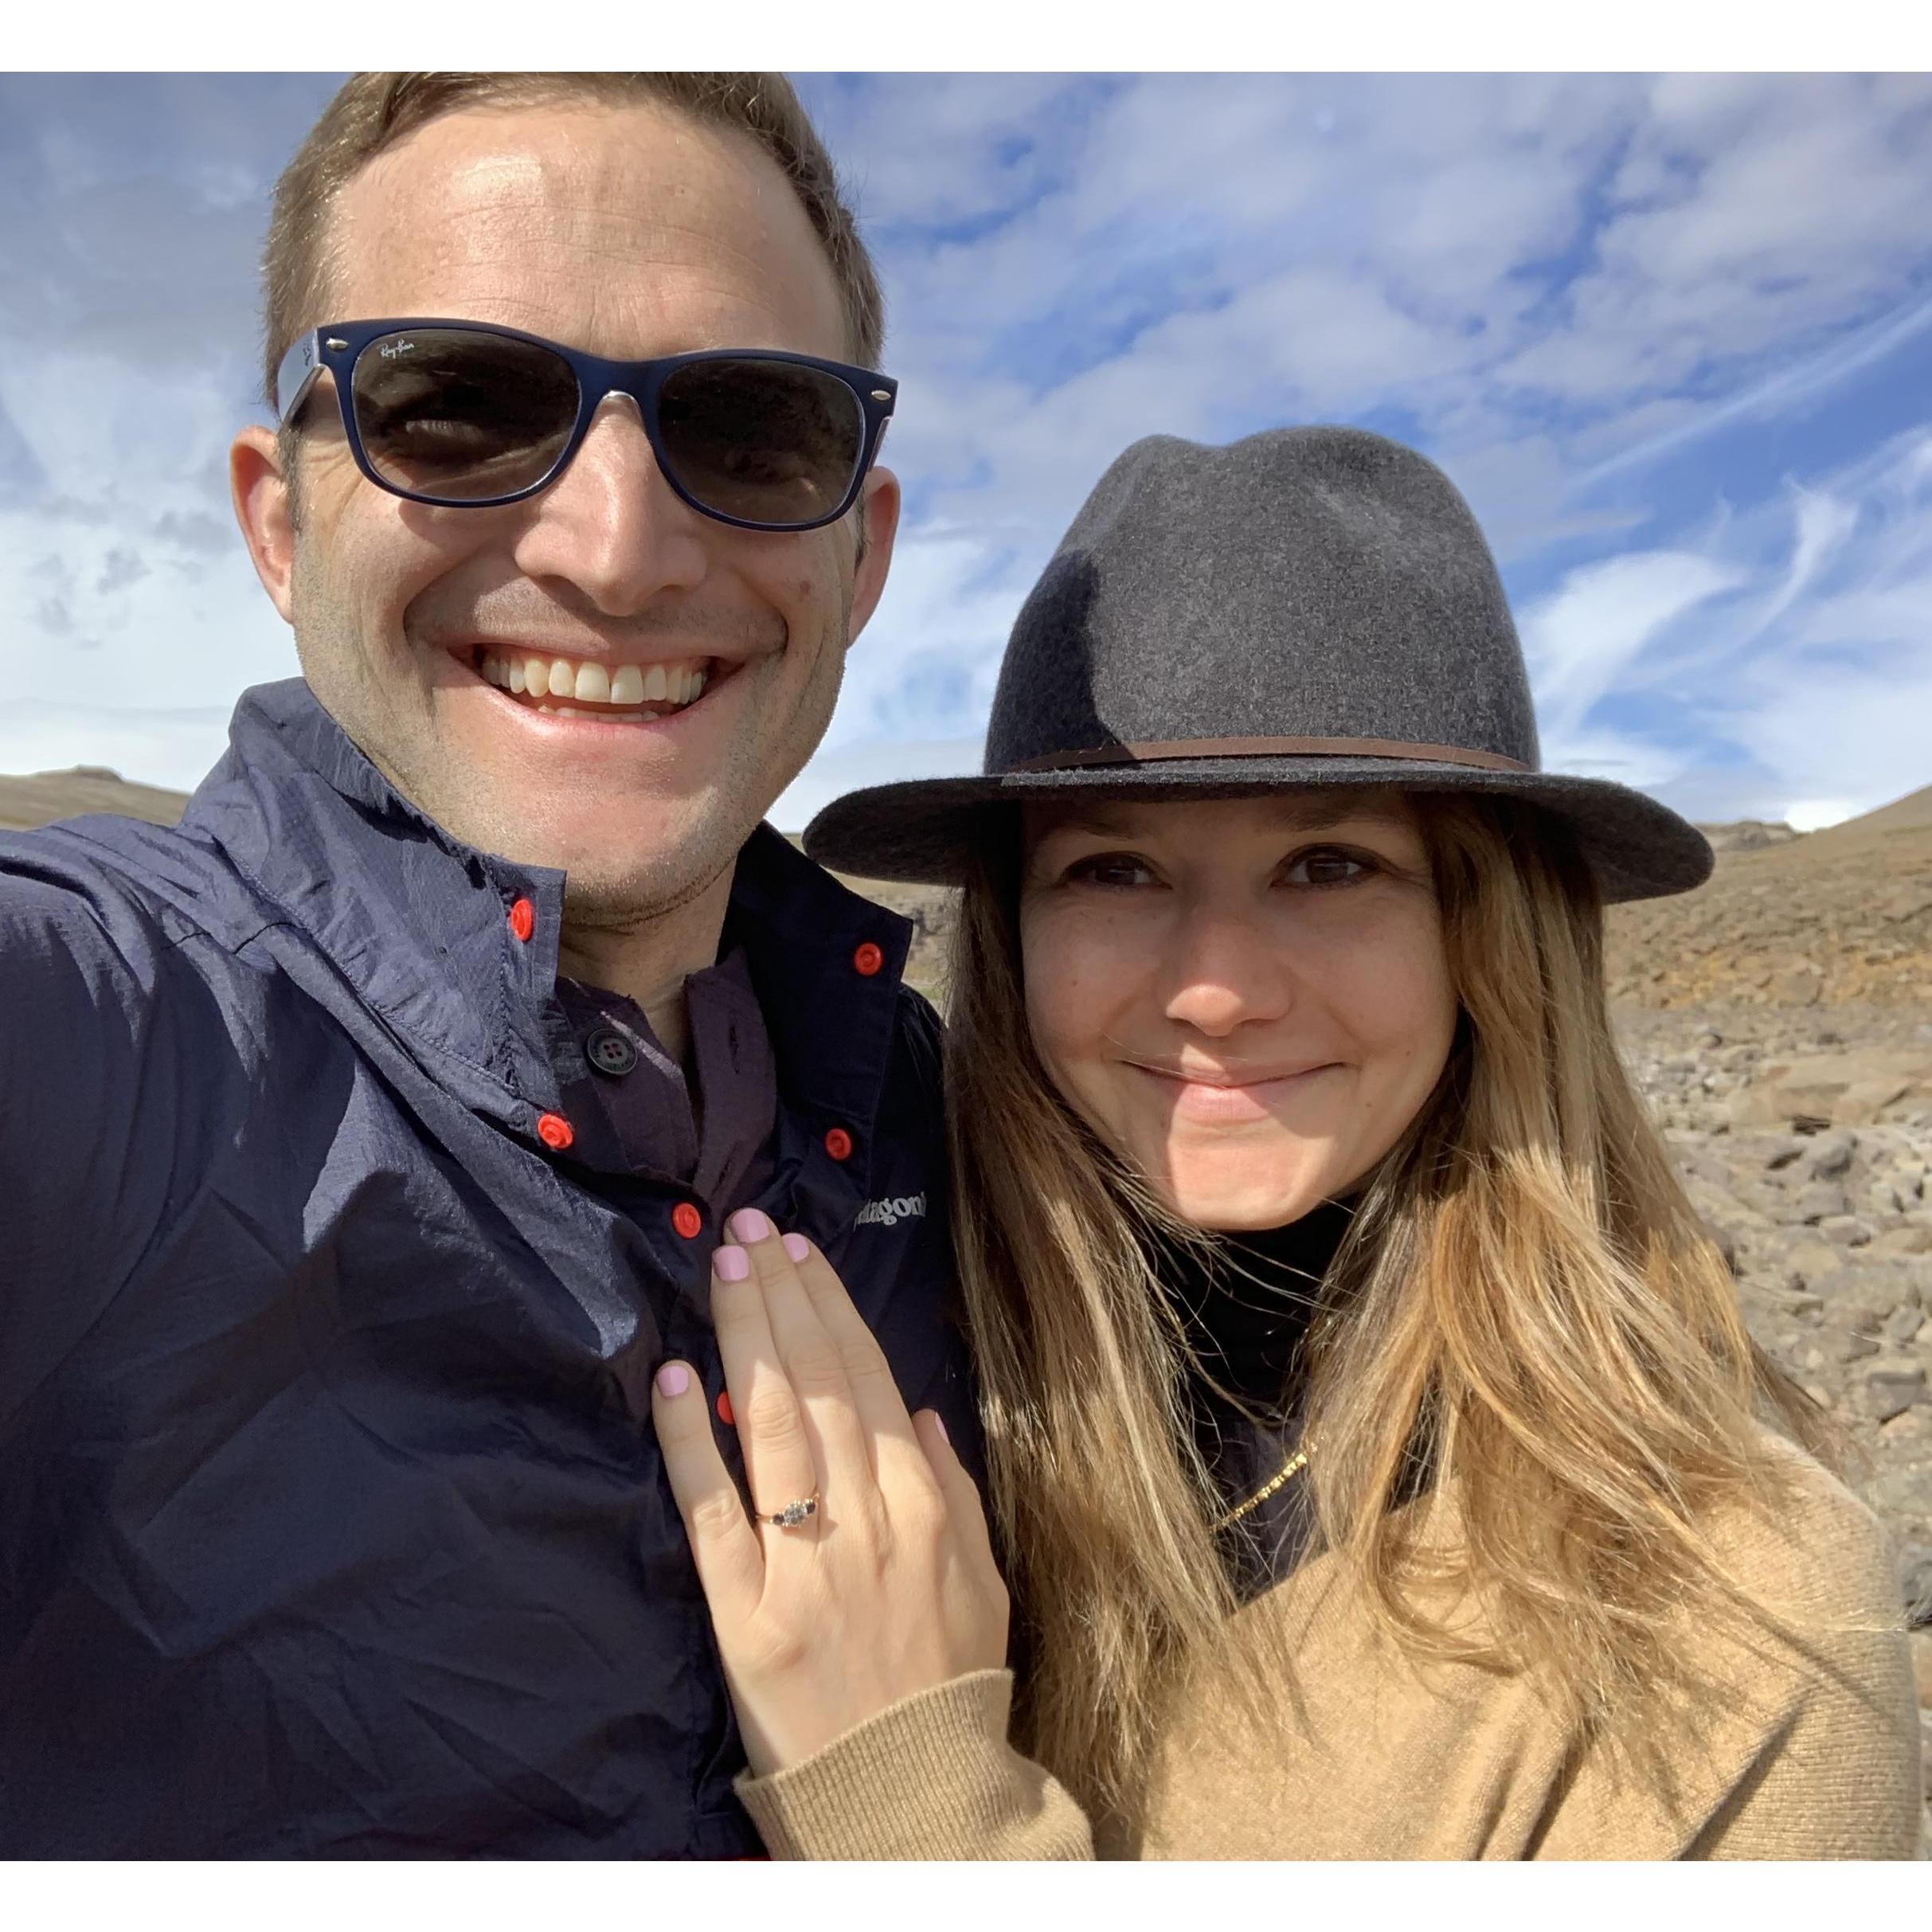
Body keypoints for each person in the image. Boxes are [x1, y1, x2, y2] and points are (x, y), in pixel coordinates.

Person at [650, 425, 1924, 1858]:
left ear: (1484, 934)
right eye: (1111, 868)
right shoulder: (902, 1352)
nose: (1216, 987)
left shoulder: (1726, 1613)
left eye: (1331, 866)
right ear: (1009, 938)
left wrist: (910, 1802)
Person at [0, 72, 977, 1858]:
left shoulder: (965, 1124)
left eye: (751, 428)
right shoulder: (110, 1039)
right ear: (279, 525)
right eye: (455, 409)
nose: (614, 551)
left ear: (863, 552)